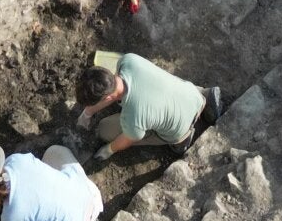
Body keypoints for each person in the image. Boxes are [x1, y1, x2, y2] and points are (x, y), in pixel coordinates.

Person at [75, 50, 219, 160]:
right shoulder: (128, 61)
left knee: (104, 130)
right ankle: (205, 95)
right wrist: (87, 113)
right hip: (191, 95)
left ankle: (183, 140)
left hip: (179, 129)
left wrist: (109, 150)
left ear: (108, 97)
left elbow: (129, 139)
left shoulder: (133, 117)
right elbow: (114, 89)